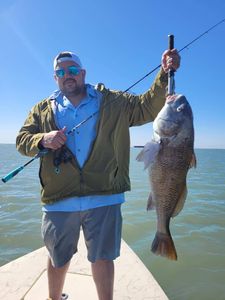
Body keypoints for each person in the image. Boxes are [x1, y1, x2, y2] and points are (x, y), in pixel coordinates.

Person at [16, 49, 180, 300]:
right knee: (57, 257)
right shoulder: (41, 110)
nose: (67, 76)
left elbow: (148, 107)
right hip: (59, 197)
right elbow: (21, 140)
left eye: (72, 71)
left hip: (105, 195)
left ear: (82, 73)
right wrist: (42, 140)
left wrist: (164, 73)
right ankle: (54, 298)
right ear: (55, 78)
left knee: (103, 257)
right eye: (61, 72)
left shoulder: (113, 100)